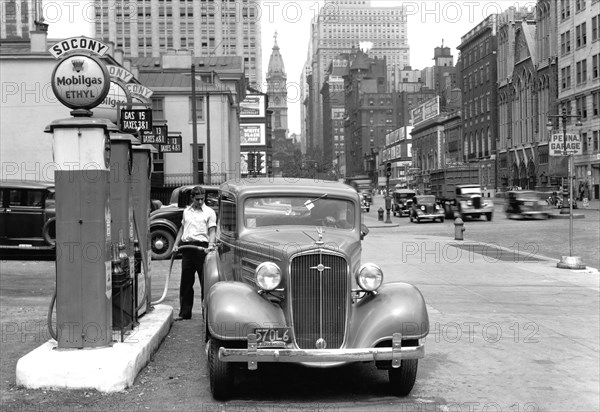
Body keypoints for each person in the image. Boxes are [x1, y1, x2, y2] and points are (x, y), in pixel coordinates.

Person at [172, 186, 217, 321]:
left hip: (202, 248)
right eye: (197, 199)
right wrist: (175, 244)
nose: (200, 201)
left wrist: (210, 246)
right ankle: (185, 313)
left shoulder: (209, 212)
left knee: (205, 281)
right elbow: (182, 228)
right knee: (186, 282)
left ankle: (207, 314)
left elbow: (212, 231)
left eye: (202, 199)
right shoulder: (186, 211)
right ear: (192, 198)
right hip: (187, 248)